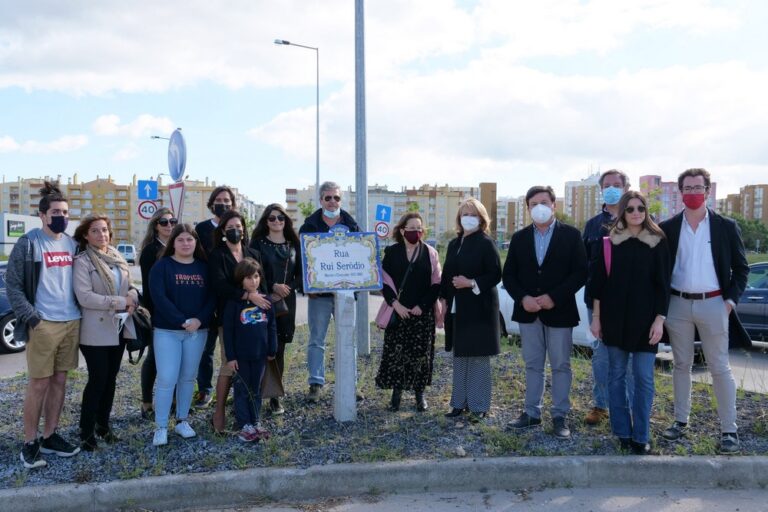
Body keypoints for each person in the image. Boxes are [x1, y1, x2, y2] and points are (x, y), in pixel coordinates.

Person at [659, 168, 750, 454]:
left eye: (699, 188)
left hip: (714, 303)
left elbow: (742, 269)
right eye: (688, 188)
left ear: (708, 191)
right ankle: (680, 421)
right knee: (681, 365)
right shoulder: (669, 227)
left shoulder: (725, 226)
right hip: (678, 304)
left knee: (719, 367)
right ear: (680, 192)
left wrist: (729, 303)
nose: (693, 193)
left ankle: (729, 430)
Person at [588, 191, 670, 454]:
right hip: (614, 322)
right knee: (616, 377)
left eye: (641, 208)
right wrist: (597, 319)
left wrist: (659, 320)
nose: (636, 213)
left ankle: (641, 435)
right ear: (622, 212)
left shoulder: (657, 242)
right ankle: (622, 431)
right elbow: (598, 285)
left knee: (644, 379)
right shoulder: (609, 243)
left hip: (646, 323)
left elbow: (663, 287)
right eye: (631, 209)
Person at [7, 181, 81, 468]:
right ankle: (29, 442)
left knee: (60, 381)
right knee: (38, 384)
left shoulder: (72, 243)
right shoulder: (29, 243)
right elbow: (13, 286)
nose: (61, 216)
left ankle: (50, 436)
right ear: (42, 215)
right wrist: (33, 318)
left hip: (71, 321)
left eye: (65, 211)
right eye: (56, 212)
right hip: (43, 323)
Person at [504, 185, 587, 439]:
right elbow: (509, 275)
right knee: (533, 364)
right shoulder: (519, 238)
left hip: (559, 311)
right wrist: (523, 297)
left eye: (544, 202)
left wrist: (554, 297)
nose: (539, 207)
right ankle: (532, 413)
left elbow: (581, 272)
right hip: (529, 313)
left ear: (554, 205)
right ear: (528, 209)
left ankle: (560, 416)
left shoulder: (572, 235)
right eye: (533, 204)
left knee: (561, 364)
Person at [73, 214, 139, 451]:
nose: (102, 235)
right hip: (95, 330)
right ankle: (86, 431)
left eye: (104, 230)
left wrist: (132, 296)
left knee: (110, 379)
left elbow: (129, 285)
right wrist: (120, 301)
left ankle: (103, 425)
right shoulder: (82, 261)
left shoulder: (116, 255)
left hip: (118, 327)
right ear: (85, 235)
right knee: (98, 379)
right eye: (95, 231)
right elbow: (85, 296)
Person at [149, 224, 216, 446]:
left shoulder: (205, 268)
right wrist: (181, 320)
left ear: (196, 242)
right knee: (167, 378)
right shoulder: (162, 266)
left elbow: (212, 298)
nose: (186, 244)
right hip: (168, 331)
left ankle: (182, 420)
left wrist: (199, 320)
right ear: (173, 243)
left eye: (190, 239)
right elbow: (158, 297)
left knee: (188, 377)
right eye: (181, 240)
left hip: (197, 331)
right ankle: (160, 426)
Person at [298, 181, 360, 403]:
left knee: (348, 339)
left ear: (341, 200)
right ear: (320, 200)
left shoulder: (353, 227)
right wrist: (307, 287)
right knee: (317, 339)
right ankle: (316, 382)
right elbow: (302, 262)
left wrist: (358, 288)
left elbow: (361, 260)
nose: (332, 201)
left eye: (336, 198)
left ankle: (351, 383)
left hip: (345, 294)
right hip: (320, 296)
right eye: (328, 198)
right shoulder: (309, 227)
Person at [440, 198, 501, 423]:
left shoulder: (486, 242)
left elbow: (495, 274)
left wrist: (471, 282)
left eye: (473, 213)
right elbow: (447, 275)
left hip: (479, 307)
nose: (468, 217)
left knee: (477, 358)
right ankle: (459, 403)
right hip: (457, 308)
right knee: (460, 356)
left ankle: (478, 405)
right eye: (464, 213)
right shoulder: (454, 244)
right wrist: (444, 300)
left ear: (481, 218)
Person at [582, 169, 634, 426]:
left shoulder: (639, 219)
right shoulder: (592, 225)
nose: (612, 188)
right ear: (601, 189)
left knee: (631, 359)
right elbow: (584, 265)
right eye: (607, 185)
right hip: (598, 304)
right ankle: (601, 405)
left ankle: (631, 407)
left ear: (626, 188)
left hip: (632, 304)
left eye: (617, 184)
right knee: (601, 357)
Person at [376, 212, 442, 412]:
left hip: (422, 314)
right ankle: (396, 395)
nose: (416, 232)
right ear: (402, 230)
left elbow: (436, 283)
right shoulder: (392, 252)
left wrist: (422, 306)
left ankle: (419, 394)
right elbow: (383, 281)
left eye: (419, 228)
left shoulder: (430, 253)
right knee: (396, 354)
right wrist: (395, 304)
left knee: (421, 355)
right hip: (398, 312)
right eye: (412, 228)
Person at [209, 209, 268, 433]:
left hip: (255, 320)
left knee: (252, 368)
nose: (236, 230)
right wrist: (247, 296)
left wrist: (258, 297)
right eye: (231, 227)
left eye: (239, 227)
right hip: (230, 317)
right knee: (228, 365)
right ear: (223, 230)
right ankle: (220, 412)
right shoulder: (217, 255)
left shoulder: (252, 252)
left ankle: (249, 415)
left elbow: (261, 282)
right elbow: (220, 285)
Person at [250, 203, 302, 415]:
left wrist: (287, 289)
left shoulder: (294, 244)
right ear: (266, 221)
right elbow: (252, 272)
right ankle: (254, 394)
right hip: (262, 300)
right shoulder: (257, 244)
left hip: (286, 303)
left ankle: (275, 395)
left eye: (281, 218)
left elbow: (301, 274)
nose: (277, 222)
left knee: (278, 349)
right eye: (272, 218)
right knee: (259, 348)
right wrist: (272, 286)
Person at [222, 258, 278, 442]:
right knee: (242, 389)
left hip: (260, 355)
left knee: (256, 389)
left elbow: (271, 327)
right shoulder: (233, 304)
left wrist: (272, 349)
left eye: (256, 276)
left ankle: (255, 421)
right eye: (248, 277)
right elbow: (228, 333)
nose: (253, 281)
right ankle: (244, 424)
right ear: (240, 280)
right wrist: (231, 357)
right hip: (241, 357)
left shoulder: (266, 300)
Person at [194, 185, 237, 408]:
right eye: (219, 200)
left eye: (227, 201)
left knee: (232, 349)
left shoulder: (235, 227)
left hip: (231, 297)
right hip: (206, 294)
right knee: (206, 348)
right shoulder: (201, 229)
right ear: (212, 203)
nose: (224, 204)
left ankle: (231, 389)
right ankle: (205, 389)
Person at [138, 208, 177, 420]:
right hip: (158, 314)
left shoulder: (177, 247)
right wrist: (157, 314)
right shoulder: (150, 251)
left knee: (175, 360)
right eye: (164, 222)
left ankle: (173, 400)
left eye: (173, 221)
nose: (169, 225)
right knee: (154, 358)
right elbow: (149, 287)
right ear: (156, 225)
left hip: (179, 313)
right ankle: (146, 402)